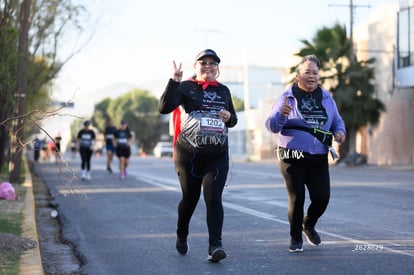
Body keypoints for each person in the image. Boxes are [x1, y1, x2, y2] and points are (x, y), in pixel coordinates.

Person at [158, 49, 238, 262]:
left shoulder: (224, 91)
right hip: (189, 156)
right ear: (196, 67)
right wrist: (174, 81)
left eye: (213, 63)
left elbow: (233, 120)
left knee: (213, 197)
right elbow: (164, 108)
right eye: (203, 63)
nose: (208, 66)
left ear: (217, 68)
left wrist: (229, 117)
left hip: (218, 155)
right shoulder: (186, 87)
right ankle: (182, 233)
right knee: (190, 198)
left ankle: (215, 246)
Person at [265, 55, 346, 253]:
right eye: (307, 72)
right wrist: (282, 115)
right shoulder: (287, 97)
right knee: (297, 196)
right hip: (292, 155)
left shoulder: (327, 97)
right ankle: (295, 238)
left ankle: (308, 224)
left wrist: (340, 132)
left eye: (315, 72)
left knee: (322, 198)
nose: (311, 76)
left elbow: (337, 120)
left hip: (318, 155)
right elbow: (271, 126)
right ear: (297, 76)